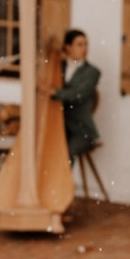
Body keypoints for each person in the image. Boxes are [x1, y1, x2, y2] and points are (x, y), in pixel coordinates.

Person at [48, 29, 102, 165]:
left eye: (86, 44)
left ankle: (61, 185)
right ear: (68, 47)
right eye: (80, 44)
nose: (85, 48)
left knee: (64, 153)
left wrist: (54, 93)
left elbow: (78, 94)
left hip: (81, 129)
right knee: (49, 150)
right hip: (60, 125)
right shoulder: (58, 67)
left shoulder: (93, 72)